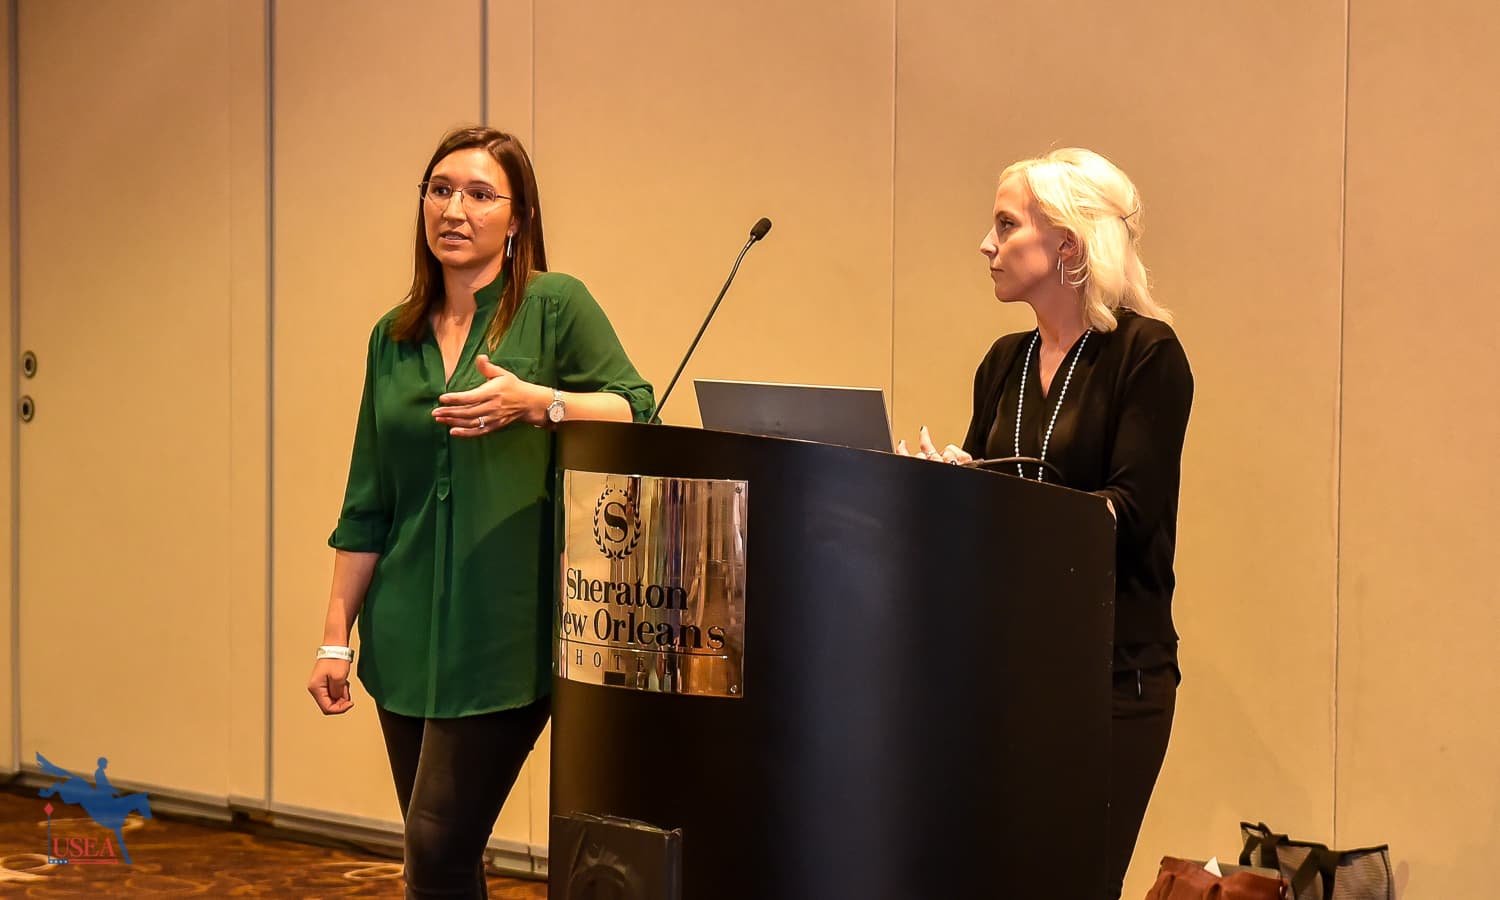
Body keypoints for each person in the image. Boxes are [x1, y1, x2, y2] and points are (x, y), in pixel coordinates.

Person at [307, 125, 654, 899]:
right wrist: (335, 639)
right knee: (444, 861)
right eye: (440, 190)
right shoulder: (392, 337)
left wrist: (542, 403)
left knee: (433, 850)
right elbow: (367, 500)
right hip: (403, 634)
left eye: (479, 194)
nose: (454, 210)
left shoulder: (555, 306)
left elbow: (637, 407)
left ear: (517, 217)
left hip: (504, 635)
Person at [898, 147, 1193, 899]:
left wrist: (993, 496)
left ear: (1067, 243)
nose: (986, 244)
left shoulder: (1146, 354)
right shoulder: (1004, 362)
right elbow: (992, 517)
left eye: (1006, 225)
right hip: (1011, 673)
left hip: (1112, 677)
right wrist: (949, 489)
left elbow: (1126, 515)